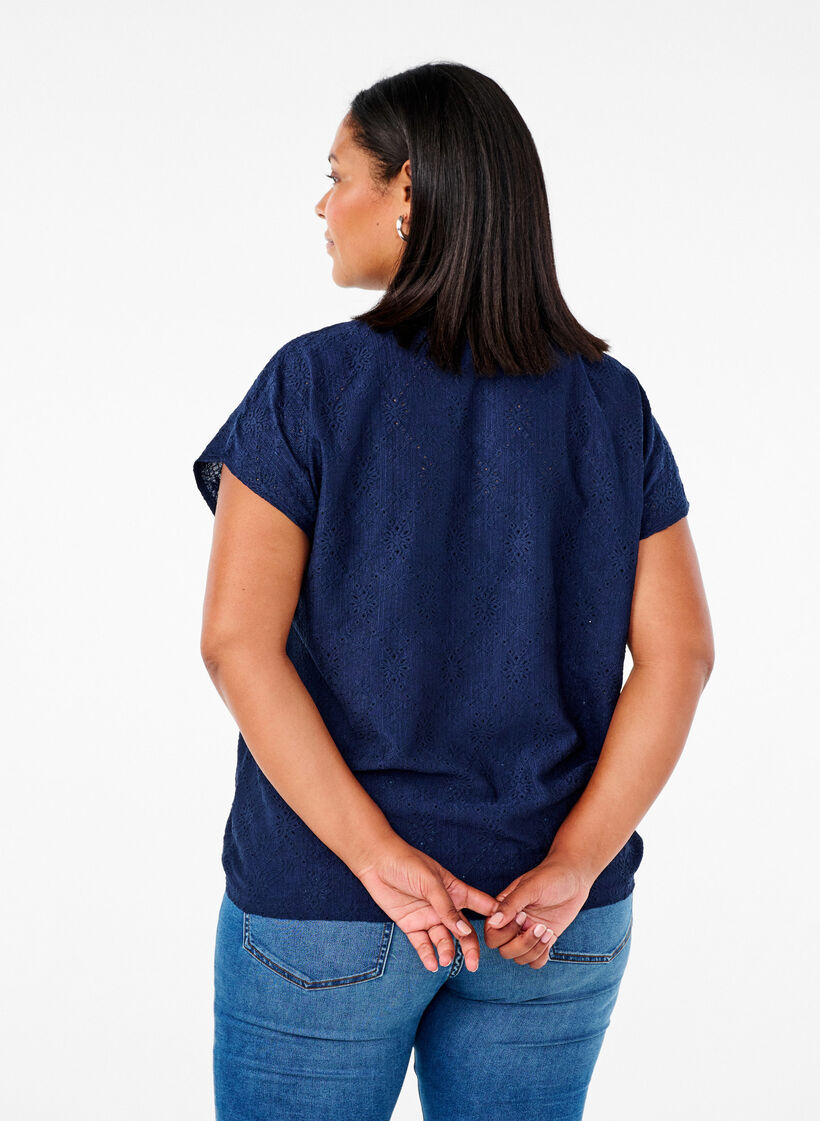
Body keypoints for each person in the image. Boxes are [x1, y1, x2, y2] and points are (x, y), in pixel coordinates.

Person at [193, 61, 714, 1121]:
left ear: (409, 192)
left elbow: (235, 644)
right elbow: (679, 655)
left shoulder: (311, 383)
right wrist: (574, 862)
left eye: (339, 173)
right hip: (546, 915)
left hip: (328, 903)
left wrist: (378, 858)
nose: (322, 204)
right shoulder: (608, 403)